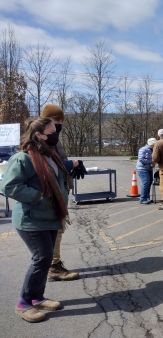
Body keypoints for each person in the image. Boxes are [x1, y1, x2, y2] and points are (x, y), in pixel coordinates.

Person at [1, 117, 69, 322]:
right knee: (41, 259)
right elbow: (8, 186)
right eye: (51, 132)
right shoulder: (23, 158)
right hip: (31, 219)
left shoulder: (48, 154)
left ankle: (37, 297)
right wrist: (37, 195)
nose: (55, 134)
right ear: (38, 134)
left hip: (48, 216)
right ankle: (24, 303)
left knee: (46, 259)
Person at [40, 104, 84, 282]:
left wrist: (71, 165)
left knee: (58, 229)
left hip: (60, 188)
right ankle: (53, 265)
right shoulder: (43, 138)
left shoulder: (52, 136)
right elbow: (48, 164)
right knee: (56, 229)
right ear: (48, 119)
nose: (60, 124)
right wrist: (70, 164)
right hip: (52, 191)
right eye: (57, 120)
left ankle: (52, 263)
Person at [136, 138, 157, 204]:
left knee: (149, 182)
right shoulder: (143, 149)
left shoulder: (153, 150)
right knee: (145, 182)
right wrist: (151, 161)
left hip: (149, 168)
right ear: (151, 145)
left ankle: (147, 197)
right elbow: (141, 159)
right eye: (154, 145)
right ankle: (143, 198)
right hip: (142, 168)